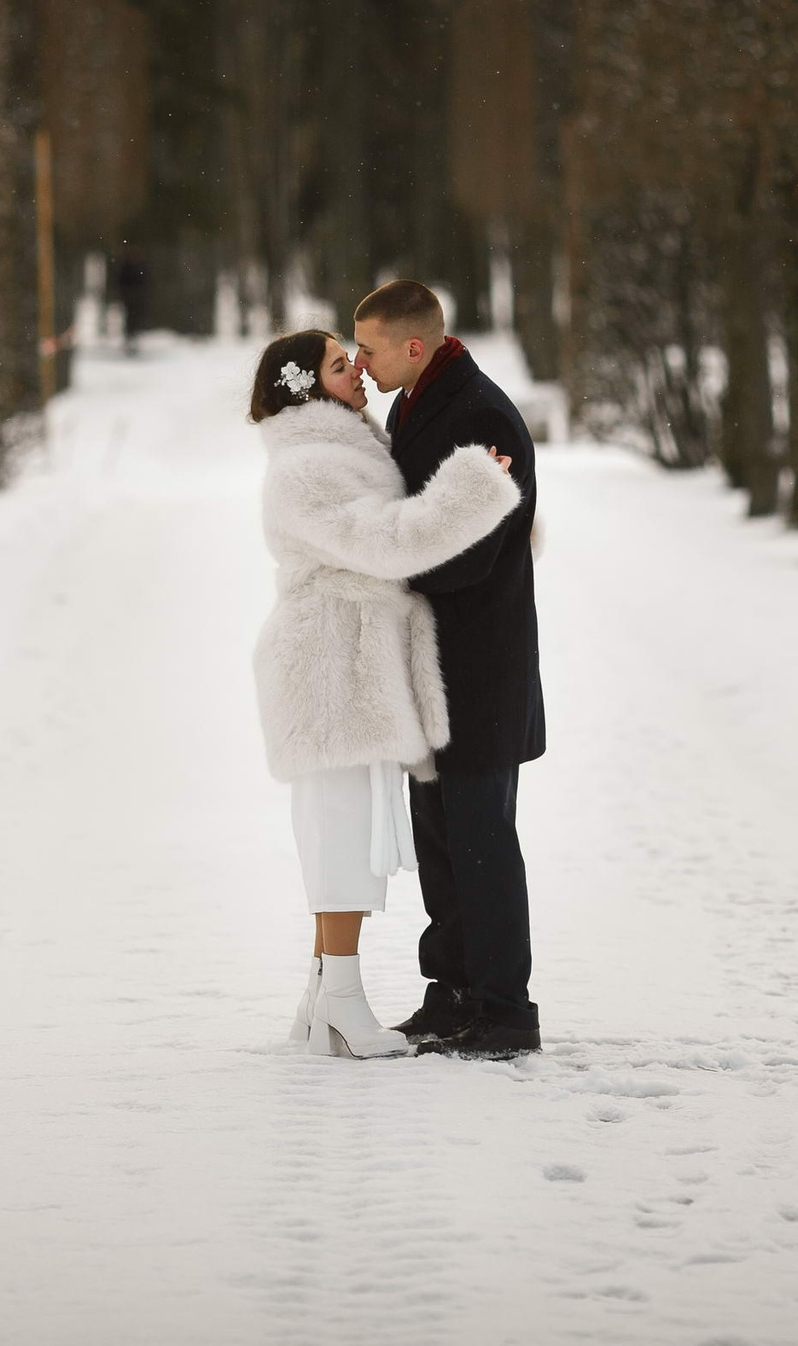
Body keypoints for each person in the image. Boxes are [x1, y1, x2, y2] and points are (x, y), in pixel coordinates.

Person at [248, 328, 521, 1058]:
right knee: (341, 837)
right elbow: (389, 542)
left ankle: (321, 1000)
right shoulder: (309, 467)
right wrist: (477, 490)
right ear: (308, 386)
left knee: (348, 831)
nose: (360, 372)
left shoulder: (338, 449)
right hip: (330, 666)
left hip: (350, 658)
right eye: (342, 365)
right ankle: (340, 1001)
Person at [350, 280, 545, 1058]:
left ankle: (504, 1012)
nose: (361, 363)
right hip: (432, 671)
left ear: (414, 345)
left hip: (478, 669)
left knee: (481, 843)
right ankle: (454, 992)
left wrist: (382, 561)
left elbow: (468, 554)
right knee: (440, 842)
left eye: (368, 348)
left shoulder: (481, 414)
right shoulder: (417, 402)